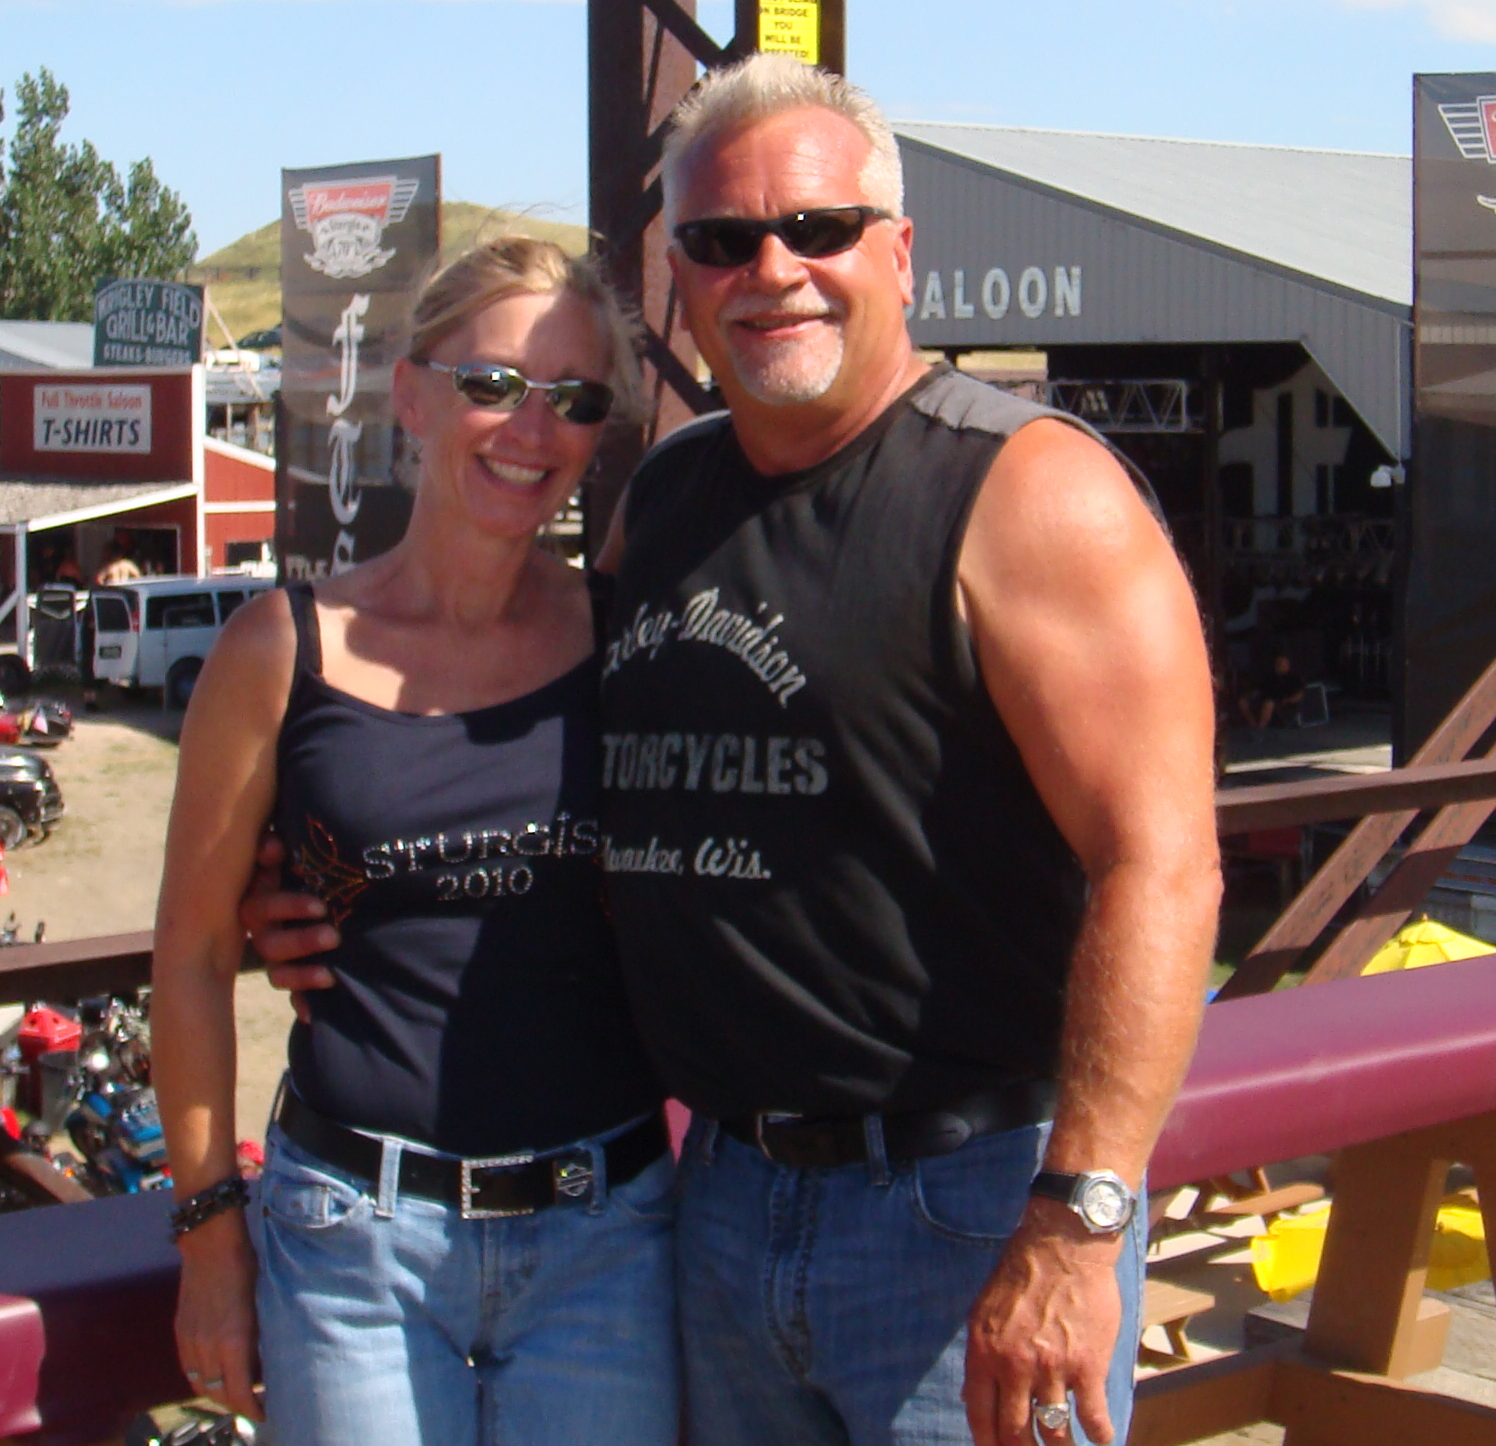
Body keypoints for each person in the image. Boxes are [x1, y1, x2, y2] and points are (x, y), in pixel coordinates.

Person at [254, 55, 1220, 1446]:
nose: (772, 268)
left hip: (961, 1206)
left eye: (816, 228)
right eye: (720, 239)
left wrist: (1080, 1220)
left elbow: (1164, 866)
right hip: (716, 1201)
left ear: (898, 250)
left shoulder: (1025, 493)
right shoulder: (665, 498)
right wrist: (309, 878)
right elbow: (531, 768)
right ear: (683, 280)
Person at [151, 237, 676, 1446]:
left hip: (607, 1234)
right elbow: (184, 956)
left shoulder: (627, 640)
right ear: (413, 393)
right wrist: (207, 1234)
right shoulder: (279, 650)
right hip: (352, 1243)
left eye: (575, 400)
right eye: (492, 383)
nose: (530, 429)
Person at [1238, 651, 1307, 730]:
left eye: (1282, 663)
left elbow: (1300, 694)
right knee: (1242, 701)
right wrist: (1250, 694)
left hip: (1282, 703)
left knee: (1269, 703)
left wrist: (1288, 700)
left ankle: (1260, 729)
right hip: (1264, 699)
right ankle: (1253, 726)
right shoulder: (1271, 677)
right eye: (1278, 663)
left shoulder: (1293, 678)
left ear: (1287, 664)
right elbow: (1260, 689)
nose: (1279, 665)